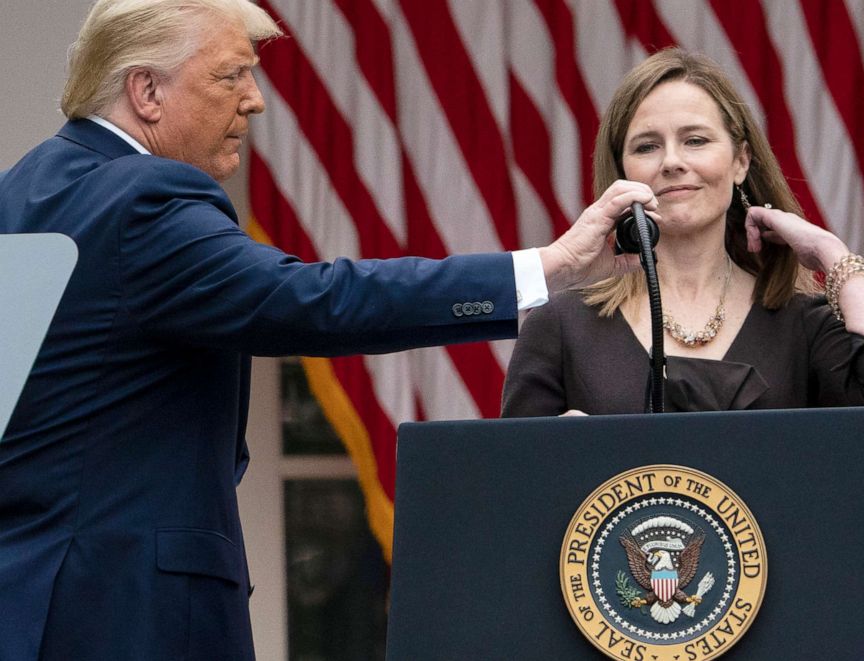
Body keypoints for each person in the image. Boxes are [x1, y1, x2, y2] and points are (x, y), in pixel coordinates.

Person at [0, 1, 657, 659]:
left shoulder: (28, 187)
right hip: (124, 612)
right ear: (146, 91)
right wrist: (550, 267)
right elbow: (312, 300)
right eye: (232, 76)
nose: (254, 101)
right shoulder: (142, 200)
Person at [502, 48, 864, 417]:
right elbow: (513, 489)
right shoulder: (559, 326)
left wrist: (832, 254)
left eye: (695, 140)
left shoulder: (801, 323)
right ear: (622, 172)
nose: (671, 162)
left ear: (741, 162)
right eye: (647, 146)